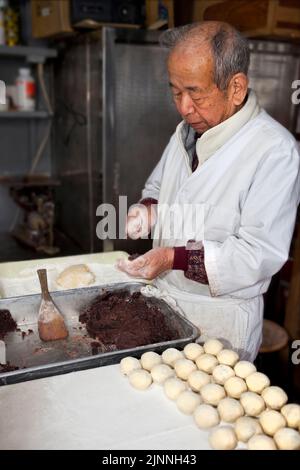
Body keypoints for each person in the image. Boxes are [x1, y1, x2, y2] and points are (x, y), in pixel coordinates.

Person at [117, 21, 300, 361]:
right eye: (175, 91)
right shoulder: (185, 133)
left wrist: (174, 258)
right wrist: (147, 210)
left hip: (221, 323)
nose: (184, 107)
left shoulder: (274, 150)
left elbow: (257, 254)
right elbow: (160, 186)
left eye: (195, 92)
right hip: (165, 305)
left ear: (236, 88)